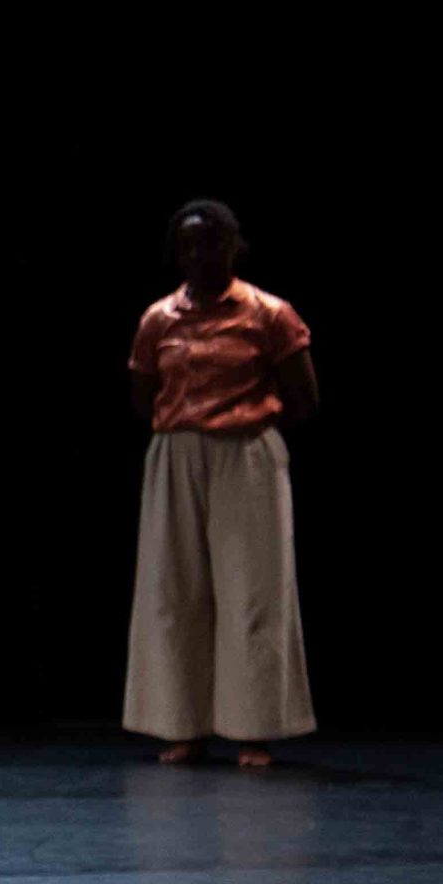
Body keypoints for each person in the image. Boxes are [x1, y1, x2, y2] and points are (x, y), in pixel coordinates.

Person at [124, 200, 319, 768]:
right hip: (177, 453)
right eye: (188, 245)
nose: (199, 255)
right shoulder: (159, 318)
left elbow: (305, 399)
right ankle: (183, 726)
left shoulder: (269, 313)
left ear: (234, 246)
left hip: (246, 453)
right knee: (174, 590)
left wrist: (244, 421)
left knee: (253, 590)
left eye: (210, 243)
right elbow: (143, 396)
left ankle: (253, 729)